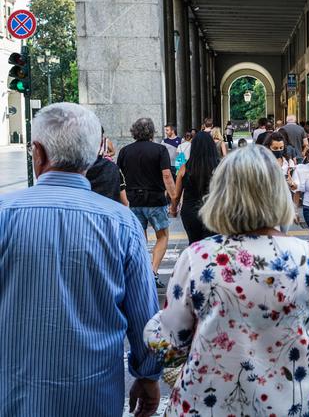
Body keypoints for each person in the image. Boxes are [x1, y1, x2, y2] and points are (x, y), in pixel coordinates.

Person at [0, 103, 161, 416]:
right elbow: (144, 314)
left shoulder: (4, 214)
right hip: (94, 395)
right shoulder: (121, 222)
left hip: (12, 393)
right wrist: (148, 373)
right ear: (94, 152)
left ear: (37, 153)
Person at [145, 144, 309, 417]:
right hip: (289, 405)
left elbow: (172, 343)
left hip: (208, 405)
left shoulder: (199, 257)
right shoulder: (307, 257)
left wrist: (153, 327)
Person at [118, 117, 177, 289]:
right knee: (162, 236)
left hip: (133, 200)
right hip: (155, 199)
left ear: (134, 131)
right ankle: (153, 271)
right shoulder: (160, 150)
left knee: (139, 238)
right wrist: (174, 199)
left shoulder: (125, 151)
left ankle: (143, 271)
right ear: (152, 131)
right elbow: (167, 176)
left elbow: (119, 176)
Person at [169, 132, 218, 244]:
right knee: (213, 245)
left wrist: (173, 209)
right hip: (214, 210)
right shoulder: (220, 166)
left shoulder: (184, 167)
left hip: (190, 212)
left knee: (194, 244)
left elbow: (176, 195)